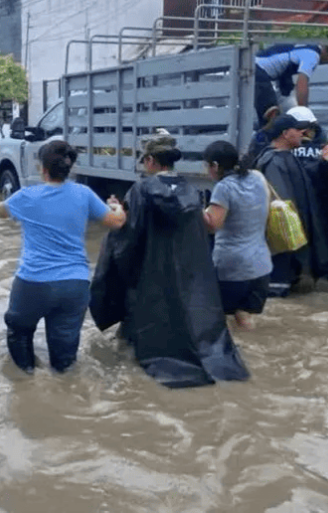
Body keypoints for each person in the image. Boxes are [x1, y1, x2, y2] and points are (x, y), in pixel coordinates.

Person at [90, 135, 249, 388]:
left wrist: (116, 210)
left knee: (138, 332)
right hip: (185, 274)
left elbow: (128, 238)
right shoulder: (190, 190)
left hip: (150, 275)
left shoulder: (141, 190)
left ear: (151, 160)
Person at [0, 140, 126, 374]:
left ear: (42, 168)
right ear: (69, 168)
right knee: (65, 359)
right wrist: (117, 208)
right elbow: (116, 223)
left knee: (19, 332)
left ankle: (26, 383)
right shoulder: (84, 194)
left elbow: (0, 212)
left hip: (32, 283)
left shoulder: (26, 196)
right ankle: (65, 392)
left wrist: (3, 202)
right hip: (74, 285)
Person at [255, 114, 328, 297]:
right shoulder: (273, 161)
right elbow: (280, 210)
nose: (302, 133)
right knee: (279, 293)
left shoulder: (286, 157)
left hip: (291, 245)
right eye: (297, 130)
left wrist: (324, 162)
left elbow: (306, 177)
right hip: (282, 247)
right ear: (285, 133)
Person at [203, 140, 272, 330]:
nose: (206, 172)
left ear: (215, 166)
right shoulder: (258, 177)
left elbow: (212, 225)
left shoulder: (224, 188)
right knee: (244, 318)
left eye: (207, 166)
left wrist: (195, 208)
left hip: (232, 269)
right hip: (261, 267)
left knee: (219, 323)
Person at [254, 44, 328, 127]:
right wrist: (304, 114)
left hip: (257, 65)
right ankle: (263, 137)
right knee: (270, 117)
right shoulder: (313, 55)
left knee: (281, 98)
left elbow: (283, 65)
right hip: (259, 69)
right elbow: (302, 84)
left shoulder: (305, 46)